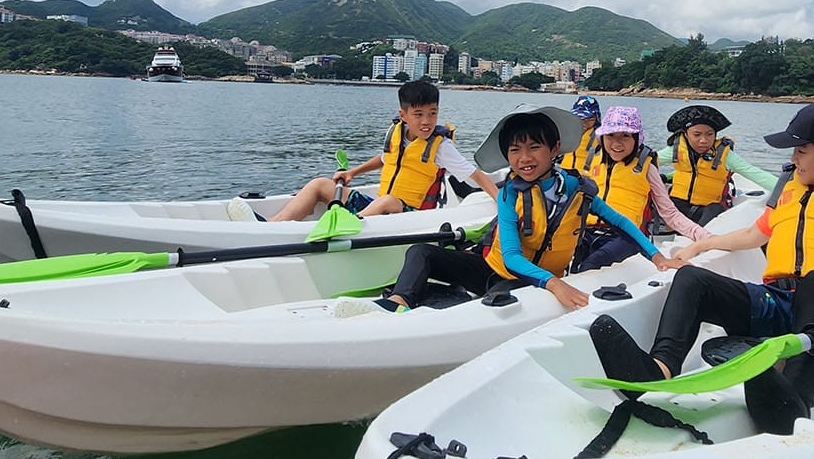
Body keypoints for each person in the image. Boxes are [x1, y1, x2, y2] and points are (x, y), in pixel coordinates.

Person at [589, 102, 814, 436]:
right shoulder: (790, 194)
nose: (794, 159)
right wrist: (698, 246)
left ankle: (793, 398)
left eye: (801, 151)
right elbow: (750, 234)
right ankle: (658, 368)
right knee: (692, 278)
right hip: (786, 308)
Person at [377, 106, 671, 312]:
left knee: (497, 300)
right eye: (515, 150)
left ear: (554, 149)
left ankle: (449, 303)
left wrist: (658, 257)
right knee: (420, 251)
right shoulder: (508, 195)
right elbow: (512, 258)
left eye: (534, 148)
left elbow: (621, 223)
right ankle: (399, 304)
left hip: (527, 281)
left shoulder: (577, 189)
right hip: (494, 269)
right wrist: (555, 284)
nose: (523, 158)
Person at [254, 78, 499, 223]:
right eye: (419, 115)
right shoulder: (395, 132)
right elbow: (385, 160)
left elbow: (474, 175)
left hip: (410, 215)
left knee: (387, 200)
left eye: (432, 113)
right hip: (380, 208)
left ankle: (348, 226)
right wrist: (352, 173)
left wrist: (500, 202)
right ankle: (274, 226)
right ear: (403, 115)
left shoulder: (441, 146)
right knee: (320, 184)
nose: (427, 121)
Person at [572, 104, 709, 272]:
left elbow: (669, 212)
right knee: (569, 262)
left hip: (627, 237)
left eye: (625, 136)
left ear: (636, 138)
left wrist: (704, 237)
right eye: (611, 135)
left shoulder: (646, 165)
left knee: (589, 265)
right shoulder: (593, 159)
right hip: (588, 231)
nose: (616, 143)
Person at [657, 105, 757, 225]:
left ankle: (699, 236)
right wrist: (666, 177)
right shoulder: (675, 150)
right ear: (686, 134)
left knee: (715, 209)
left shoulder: (725, 155)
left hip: (708, 209)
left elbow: (754, 173)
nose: (703, 140)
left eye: (709, 134)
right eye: (697, 134)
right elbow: (646, 160)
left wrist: (784, 188)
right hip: (678, 204)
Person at [559, 95, 601, 173]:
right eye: (579, 118)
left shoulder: (602, 137)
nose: (584, 123)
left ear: (597, 117)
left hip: (587, 178)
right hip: (564, 174)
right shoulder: (565, 133)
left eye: (589, 119)